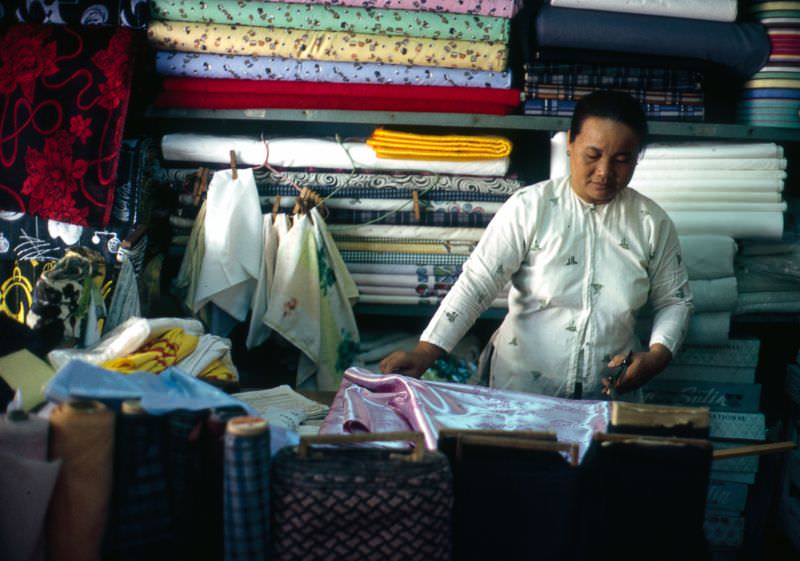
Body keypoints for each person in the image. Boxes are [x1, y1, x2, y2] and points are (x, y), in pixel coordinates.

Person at [379, 91, 693, 400]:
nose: (604, 172)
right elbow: (478, 283)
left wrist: (657, 356)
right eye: (593, 155)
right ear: (571, 143)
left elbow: (674, 301)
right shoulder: (530, 208)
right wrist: (425, 352)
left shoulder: (651, 222)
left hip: (607, 395)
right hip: (520, 392)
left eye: (622, 160)